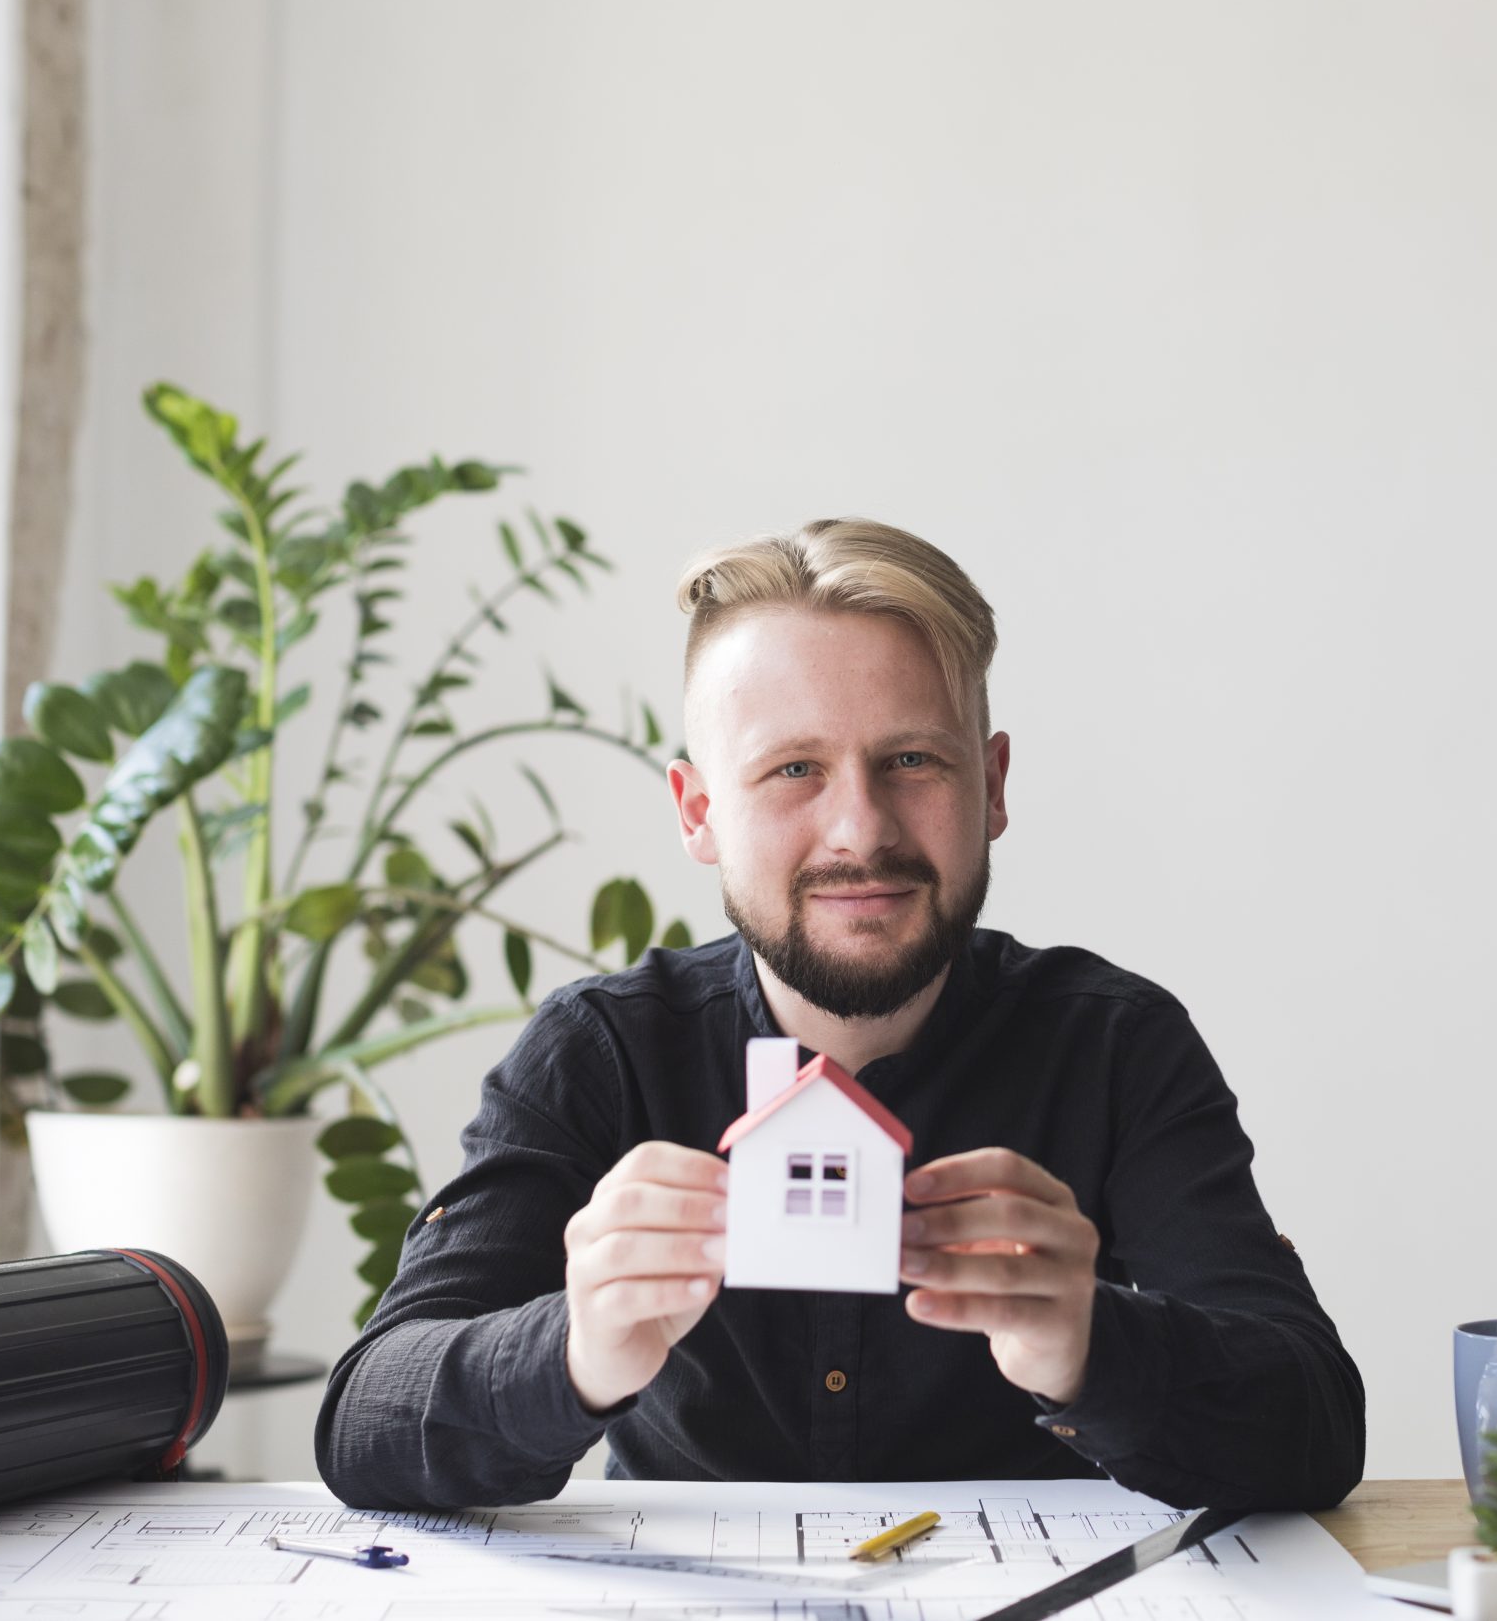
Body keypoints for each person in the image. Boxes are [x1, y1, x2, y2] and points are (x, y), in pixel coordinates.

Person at [315, 518, 1363, 1511]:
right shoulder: (602, 1051)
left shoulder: (1114, 1045)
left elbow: (1314, 1427)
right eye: (793, 771)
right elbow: (365, 1421)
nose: (859, 828)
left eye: (912, 760)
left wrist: (1093, 1345)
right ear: (698, 813)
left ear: (990, 786)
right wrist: (574, 1353)